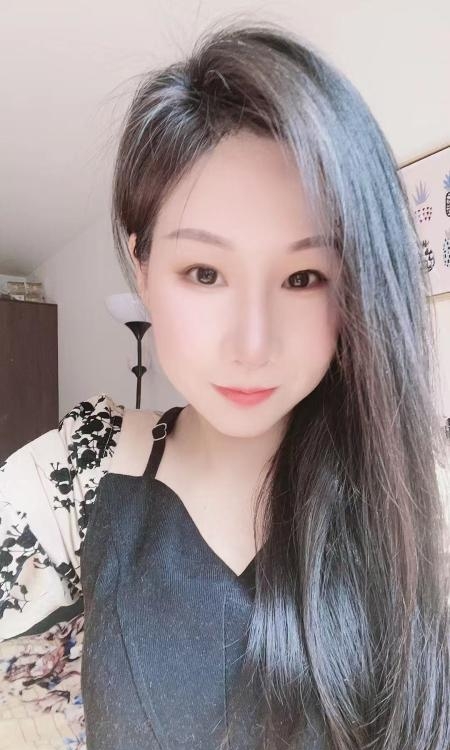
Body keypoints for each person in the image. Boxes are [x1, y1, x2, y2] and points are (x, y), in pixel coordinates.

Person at [1, 20, 449, 750]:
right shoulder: (84, 466)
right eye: (204, 273)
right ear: (144, 269)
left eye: (304, 277)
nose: (252, 346)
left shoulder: (419, 500)